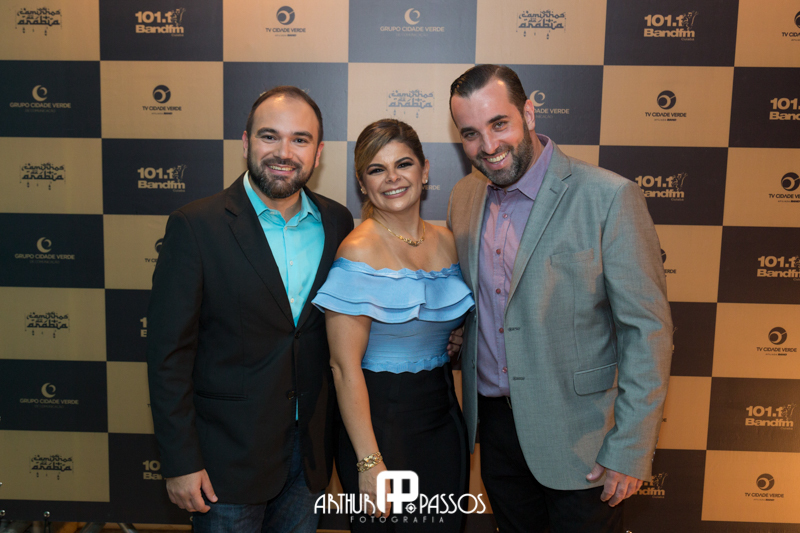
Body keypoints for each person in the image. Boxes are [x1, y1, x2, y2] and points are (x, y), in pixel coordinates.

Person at [446, 65, 673, 532]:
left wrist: (630, 447)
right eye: (470, 133)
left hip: (583, 437)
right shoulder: (465, 197)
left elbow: (647, 331)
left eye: (499, 124)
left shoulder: (608, 196)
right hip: (496, 432)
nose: (488, 145)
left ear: (529, 114)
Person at [146, 86, 354, 533]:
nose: (284, 152)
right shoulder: (195, 226)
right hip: (225, 463)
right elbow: (168, 357)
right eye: (269, 136)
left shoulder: (338, 222)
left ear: (318, 153)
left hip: (310, 456)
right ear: (245, 143)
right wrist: (180, 461)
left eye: (300, 139)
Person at [311, 119, 474, 531]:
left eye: (403, 164)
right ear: (362, 184)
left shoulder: (448, 240)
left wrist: (456, 333)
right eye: (376, 169)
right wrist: (369, 462)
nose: (392, 178)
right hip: (380, 425)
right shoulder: (358, 250)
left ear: (425, 170)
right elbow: (343, 368)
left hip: (443, 422)